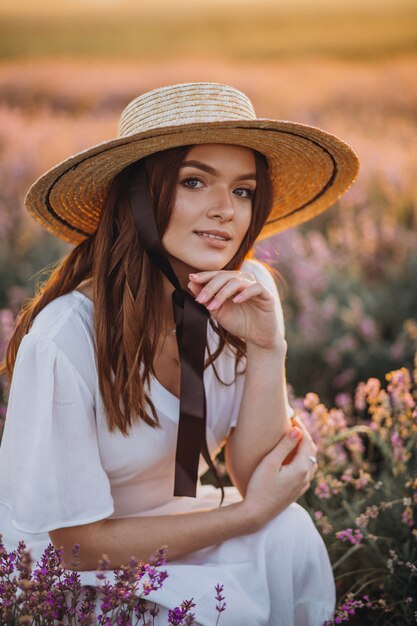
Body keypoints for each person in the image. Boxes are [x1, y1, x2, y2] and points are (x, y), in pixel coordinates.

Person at [0, 82, 359, 625]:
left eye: (243, 191)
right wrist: (248, 515)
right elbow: (75, 544)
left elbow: (255, 472)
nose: (225, 211)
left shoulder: (243, 291)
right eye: (195, 182)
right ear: (137, 198)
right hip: (62, 572)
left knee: (288, 534)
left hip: (172, 525)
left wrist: (267, 346)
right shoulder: (63, 339)